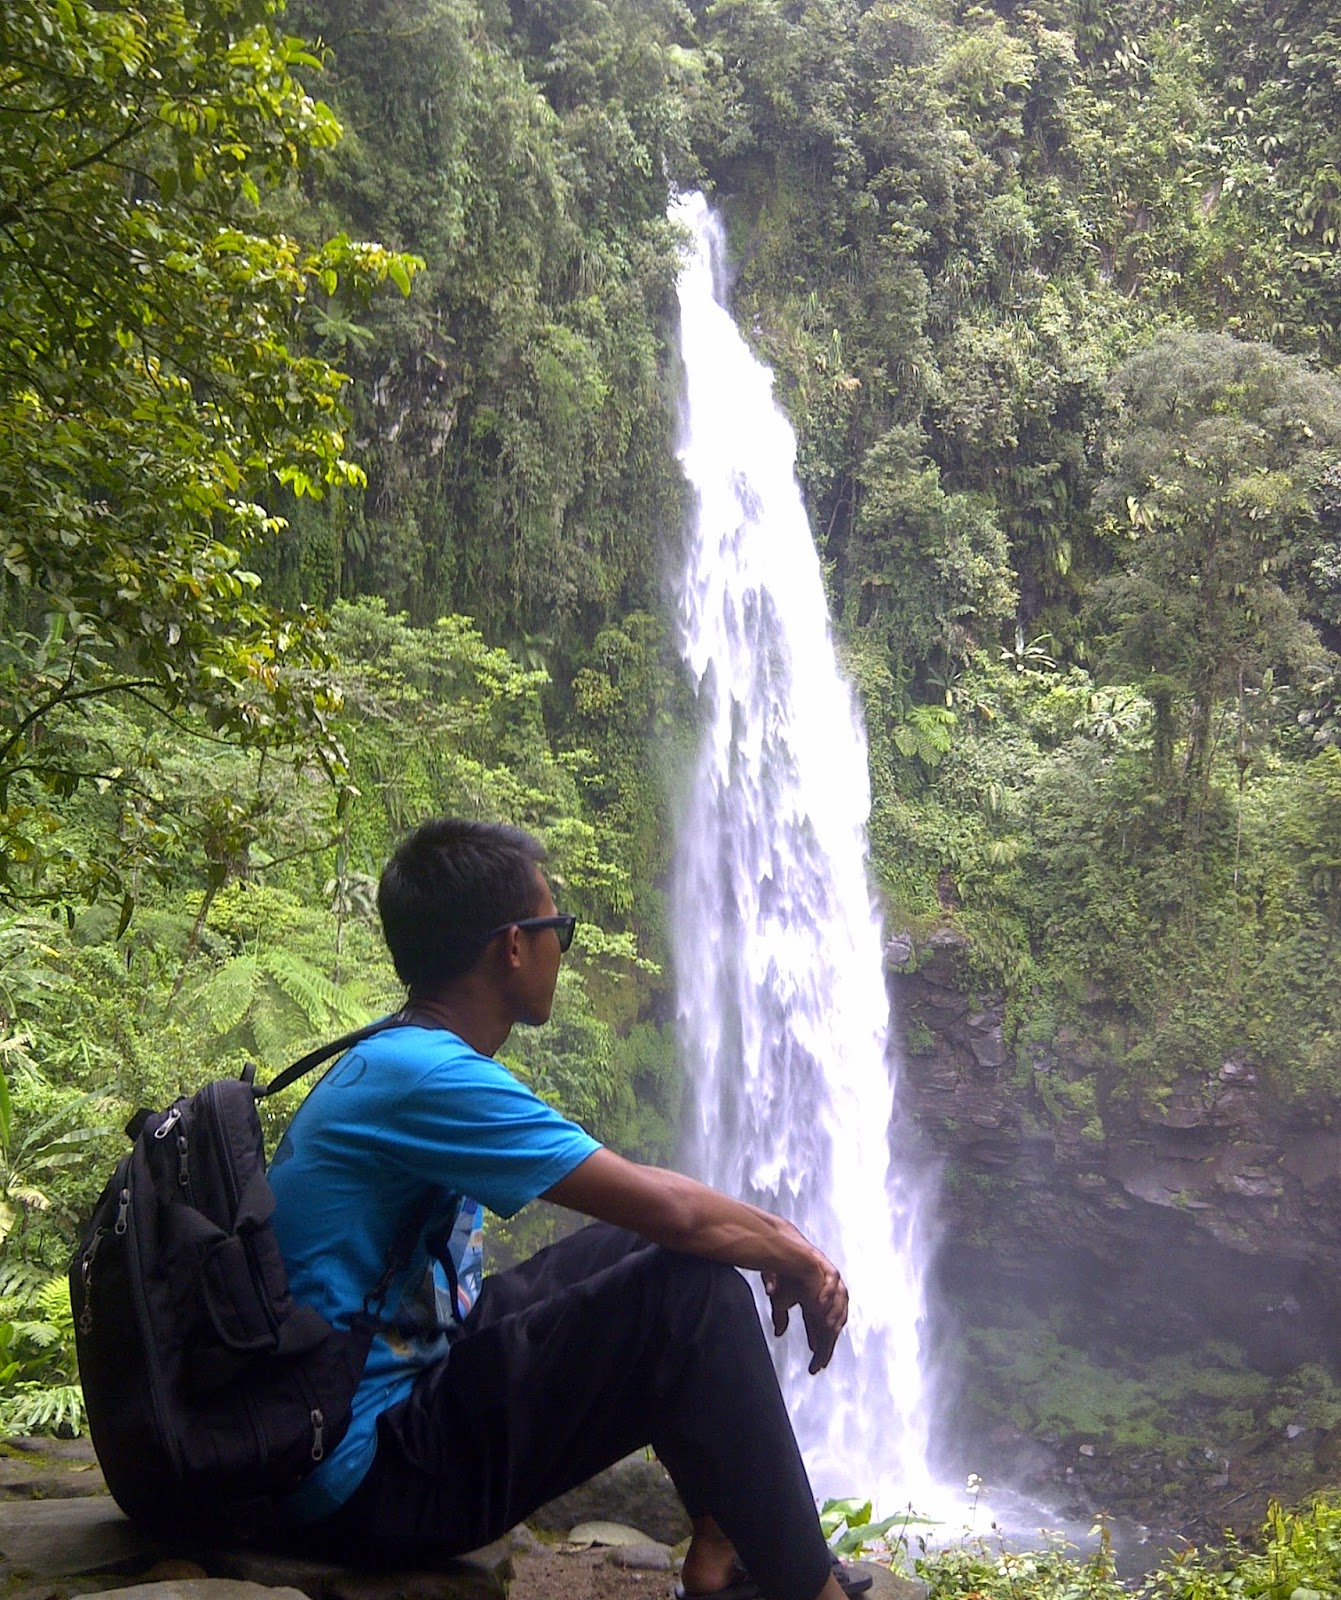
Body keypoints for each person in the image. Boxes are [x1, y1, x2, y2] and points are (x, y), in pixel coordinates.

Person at [269, 817, 865, 1600]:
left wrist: (765, 1241)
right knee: (692, 1293)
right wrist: (794, 1249)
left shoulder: (398, 1056)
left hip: (389, 1392)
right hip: (364, 1477)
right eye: (561, 930)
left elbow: (662, 1222)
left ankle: (720, 1546)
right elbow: (673, 1211)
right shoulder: (426, 1078)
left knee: (650, 1254)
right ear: (512, 944)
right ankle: (805, 1589)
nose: (563, 948)